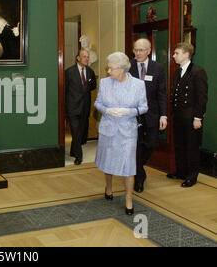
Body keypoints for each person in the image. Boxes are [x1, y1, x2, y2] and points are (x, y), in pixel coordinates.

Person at [94, 52, 148, 215]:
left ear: (121, 69)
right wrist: (107, 110)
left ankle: (128, 198)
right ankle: (109, 188)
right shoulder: (104, 83)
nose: (108, 71)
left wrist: (129, 111)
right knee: (108, 161)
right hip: (108, 129)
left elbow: (144, 107)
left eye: (111, 68)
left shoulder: (138, 85)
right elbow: (97, 103)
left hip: (128, 131)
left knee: (129, 166)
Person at [129, 38, 167, 193]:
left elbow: (161, 93)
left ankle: (136, 168)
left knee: (151, 144)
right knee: (136, 146)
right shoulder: (128, 66)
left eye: (141, 50)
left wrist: (163, 115)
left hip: (152, 114)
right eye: (135, 50)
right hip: (133, 114)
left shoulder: (157, 68)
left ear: (149, 50)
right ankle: (139, 177)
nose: (137, 53)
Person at [168, 42, 208, 188]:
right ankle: (181, 172)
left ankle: (191, 176)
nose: (173, 56)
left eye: (176, 53)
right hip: (179, 115)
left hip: (191, 116)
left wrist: (198, 118)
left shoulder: (197, 71)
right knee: (179, 145)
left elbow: (202, 97)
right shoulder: (178, 72)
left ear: (186, 54)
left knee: (191, 147)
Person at [65, 48, 97, 165]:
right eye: (84, 56)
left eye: (87, 57)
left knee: (80, 131)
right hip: (72, 107)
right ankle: (79, 156)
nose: (86, 58)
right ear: (78, 58)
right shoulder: (69, 72)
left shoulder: (90, 72)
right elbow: (65, 90)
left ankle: (74, 151)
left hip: (85, 107)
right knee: (75, 130)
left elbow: (92, 86)